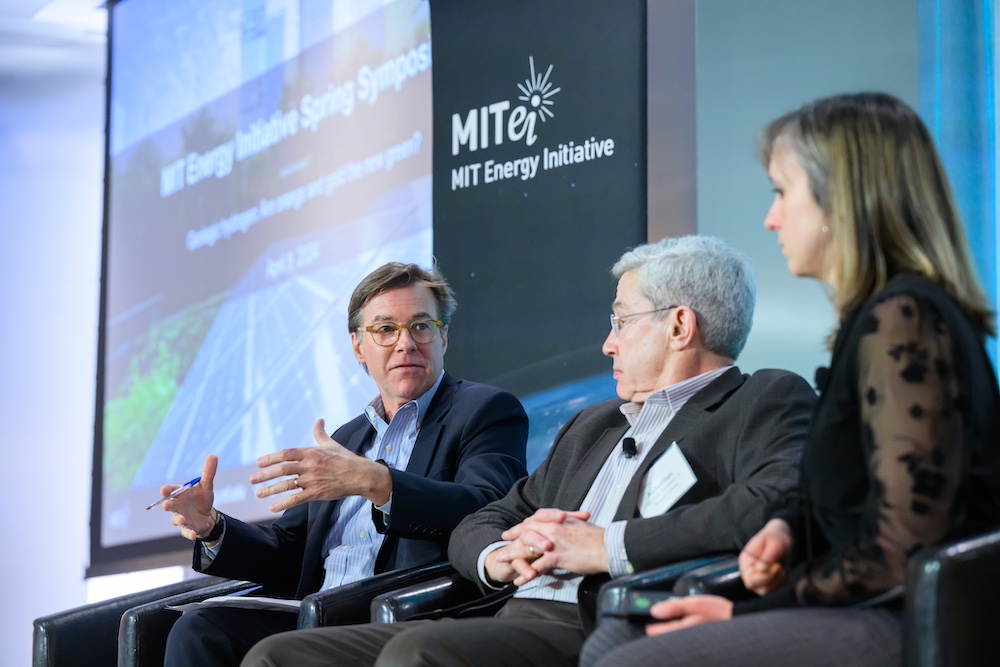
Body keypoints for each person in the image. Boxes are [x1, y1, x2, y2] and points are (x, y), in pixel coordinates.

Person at [240, 234, 818, 667]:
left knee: (419, 654)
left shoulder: (762, 398)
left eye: (620, 320)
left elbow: (771, 501)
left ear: (679, 326)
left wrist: (604, 547)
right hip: (509, 610)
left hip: (604, 619)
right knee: (277, 657)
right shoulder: (593, 427)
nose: (607, 341)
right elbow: (488, 516)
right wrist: (497, 556)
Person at [580, 92, 1000, 667]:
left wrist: (743, 613)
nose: (771, 217)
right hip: (856, 601)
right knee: (614, 638)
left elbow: (904, 544)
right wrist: (785, 530)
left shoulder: (904, 322)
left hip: (897, 618)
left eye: (782, 192)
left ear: (843, 201)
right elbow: (853, 497)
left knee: (630, 661)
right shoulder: (877, 323)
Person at [156, 261, 529, 666]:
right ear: (358, 347)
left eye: (422, 326)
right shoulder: (345, 439)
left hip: (397, 616)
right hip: (312, 617)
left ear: (443, 339)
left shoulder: (484, 410)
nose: (406, 343)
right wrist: (213, 529)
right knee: (198, 632)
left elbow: (489, 509)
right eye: (386, 330)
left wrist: (379, 483)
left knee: (272, 654)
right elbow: (289, 552)